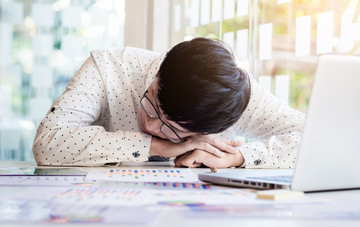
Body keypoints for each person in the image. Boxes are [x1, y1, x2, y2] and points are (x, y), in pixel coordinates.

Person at [33, 37, 305, 168]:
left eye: (173, 128)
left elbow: (314, 138)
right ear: (158, 74)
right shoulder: (108, 66)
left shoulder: (234, 98)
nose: (150, 124)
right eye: (153, 104)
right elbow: (48, 144)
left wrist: (238, 157)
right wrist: (161, 145)